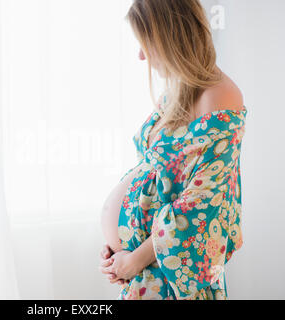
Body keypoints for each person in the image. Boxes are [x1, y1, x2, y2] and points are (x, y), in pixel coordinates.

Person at [99, 0, 247, 300]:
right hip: (144, 269)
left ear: (170, 36)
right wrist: (119, 247)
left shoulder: (220, 97)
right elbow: (152, 178)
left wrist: (135, 258)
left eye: (146, 44)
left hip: (167, 278)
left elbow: (202, 207)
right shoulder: (178, 92)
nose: (141, 56)